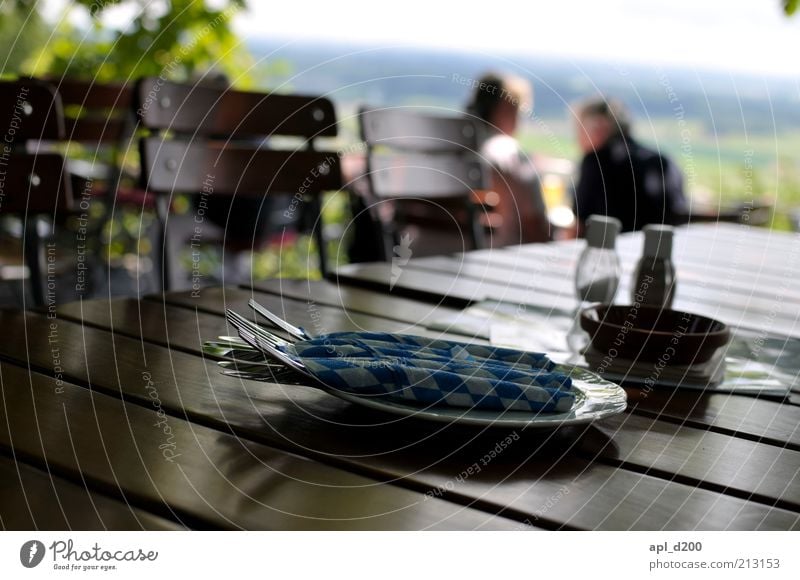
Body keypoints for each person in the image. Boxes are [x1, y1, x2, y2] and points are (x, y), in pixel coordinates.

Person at [573, 96, 687, 234]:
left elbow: (579, 224)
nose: (577, 138)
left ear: (600, 127)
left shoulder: (595, 161)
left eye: (580, 129)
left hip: (613, 248)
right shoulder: (662, 160)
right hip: (658, 248)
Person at [467, 73, 550, 246]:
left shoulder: (443, 147)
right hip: (500, 262)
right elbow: (535, 227)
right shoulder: (508, 154)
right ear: (506, 108)